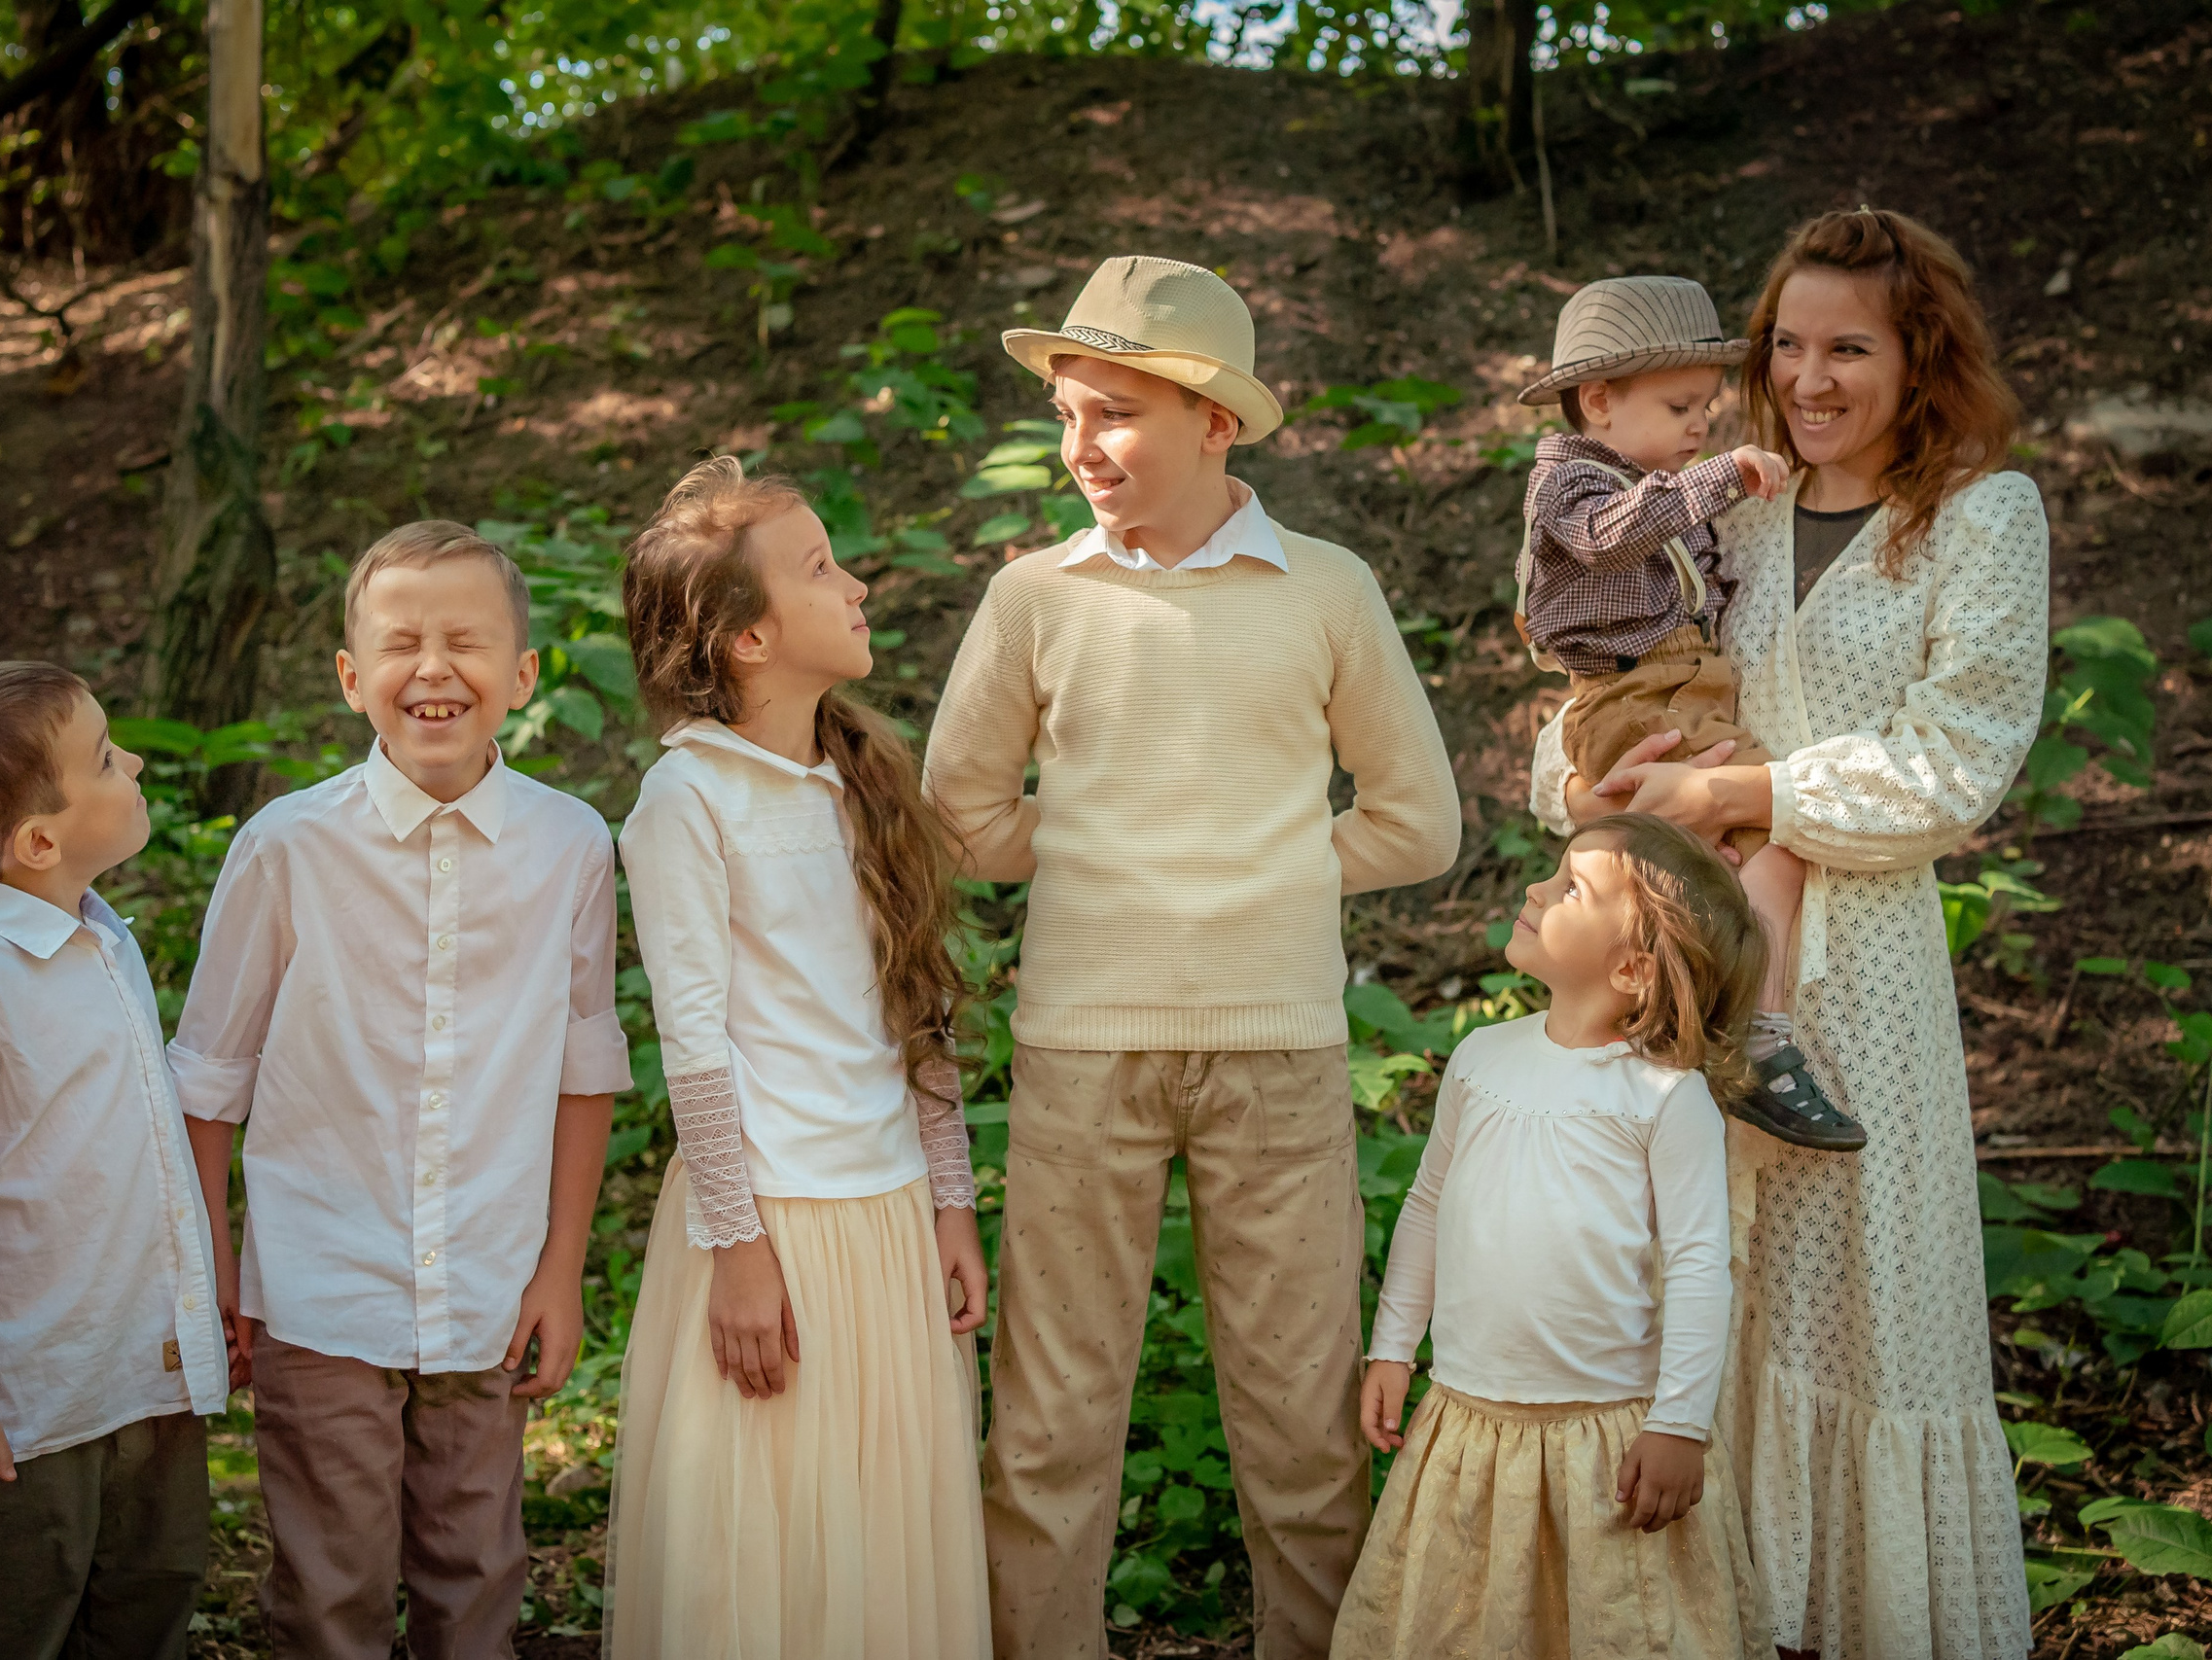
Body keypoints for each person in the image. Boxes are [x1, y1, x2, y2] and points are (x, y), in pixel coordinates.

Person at [923, 255, 1462, 1659]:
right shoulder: (1034, 597)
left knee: (1300, 1406)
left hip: (1279, 1047)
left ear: (1216, 422)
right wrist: (1108, 845)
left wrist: (1261, 861)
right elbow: (963, 814)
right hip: (1078, 1049)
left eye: (1116, 413)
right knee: (1049, 1409)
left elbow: (1417, 821)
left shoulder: (1326, 589)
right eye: (1068, 414)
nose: (1082, 447)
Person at [1533, 207, 2046, 1659]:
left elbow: (1957, 759)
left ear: (1919, 356)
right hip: (1687, 960)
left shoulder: (1981, 514)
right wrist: (1587, 782)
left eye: (1851, 347)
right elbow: (1588, 676)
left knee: (1859, 1304)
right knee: (1693, 1287)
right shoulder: (1725, 503)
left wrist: (1743, 785)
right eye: (1787, 344)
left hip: (1865, 972)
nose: (1809, 377)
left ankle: (1858, 1624)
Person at [169, 523, 633, 1658]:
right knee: (331, 1582)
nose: (433, 669)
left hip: (485, 1277)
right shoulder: (286, 848)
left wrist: (558, 1271)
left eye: (467, 642)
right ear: (350, 678)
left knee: (477, 1567)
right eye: (401, 643)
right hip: (321, 1281)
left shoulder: (570, 847)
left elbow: (584, 1071)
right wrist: (213, 1263)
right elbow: (208, 1082)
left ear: (522, 675)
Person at [603, 457, 990, 1659]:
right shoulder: (688, 802)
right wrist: (737, 1252)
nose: (858, 583)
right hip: (769, 1224)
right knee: (764, 1549)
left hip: (885, 1217)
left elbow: (913, 1010)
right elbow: (698, 1051)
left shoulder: (860, 783)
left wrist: (951, 1200)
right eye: (822, 569)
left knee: (880, 1541)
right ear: (748, 638)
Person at [0, 660, 229, 1660]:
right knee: (4, 1624)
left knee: (146, 1608)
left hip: (139, 1382)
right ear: (38, 841)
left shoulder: (105, 946)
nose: (134, 759)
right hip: (20, 1419)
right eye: (106, 757)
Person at [1336, 812, 1773, 1659]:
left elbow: (1696, 1266)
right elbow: (1428, 1205)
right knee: (1470, 1618)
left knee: (1609, 1624)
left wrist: (1681, 1423)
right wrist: (1394, 1345)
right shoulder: (1480, 1058)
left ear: (1632, 967)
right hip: (1469, 1417)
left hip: (1603, 1438)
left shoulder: (1662, 1097)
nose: (1536, 889)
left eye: (1570, 886)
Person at [1516, 274, 1862, 1154]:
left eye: (1706, 406)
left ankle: (1746, 1027)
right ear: (1597, 400)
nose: (1700, 424)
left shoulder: (1657, 479)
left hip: (1688, 682)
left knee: (1760, 846)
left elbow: (1694, 577)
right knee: (1700, 862)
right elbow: (1611, 538)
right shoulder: (1571, 481)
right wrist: (1717, 478)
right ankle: (1732, 1038)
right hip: (1632, 690)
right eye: (1680, 406)